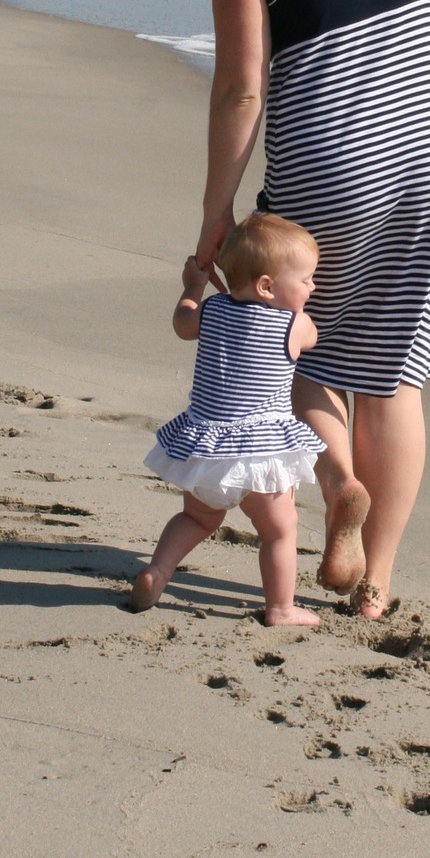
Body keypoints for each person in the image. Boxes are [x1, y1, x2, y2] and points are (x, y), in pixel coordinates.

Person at [164, 0, 430, 620]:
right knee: (394, 377)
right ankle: (376, 584)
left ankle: (339, 483)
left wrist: (215, 216)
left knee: (302, 353)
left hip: (334, 163)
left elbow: (241, 90)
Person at [132, 211, 325, 627]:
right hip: (260, 455)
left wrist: (193, 286)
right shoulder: (294, 324)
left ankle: (157, 572)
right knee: (279, 531)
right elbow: (312, 337)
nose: (313, 287)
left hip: (207, 451)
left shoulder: (213, 310)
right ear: (267, 287)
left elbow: (182, 324)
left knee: (196, 518)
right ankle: (280, 608)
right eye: (306, 279)